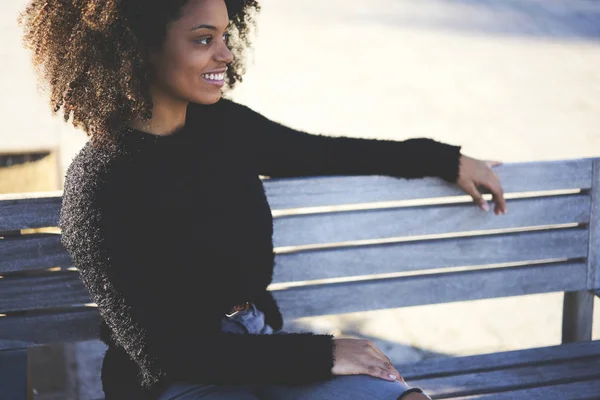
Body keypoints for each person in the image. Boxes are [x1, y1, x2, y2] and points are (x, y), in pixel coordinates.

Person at [18, 0, 507, 399]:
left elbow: (322, 152)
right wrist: (324, 354)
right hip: (178, 381)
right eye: (204, 39)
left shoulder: (223, 126)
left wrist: (445, 160)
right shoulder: (102, 185)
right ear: (137, 48)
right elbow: (166, 352)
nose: (226, 54)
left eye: (226, 36)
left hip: (263, 345)